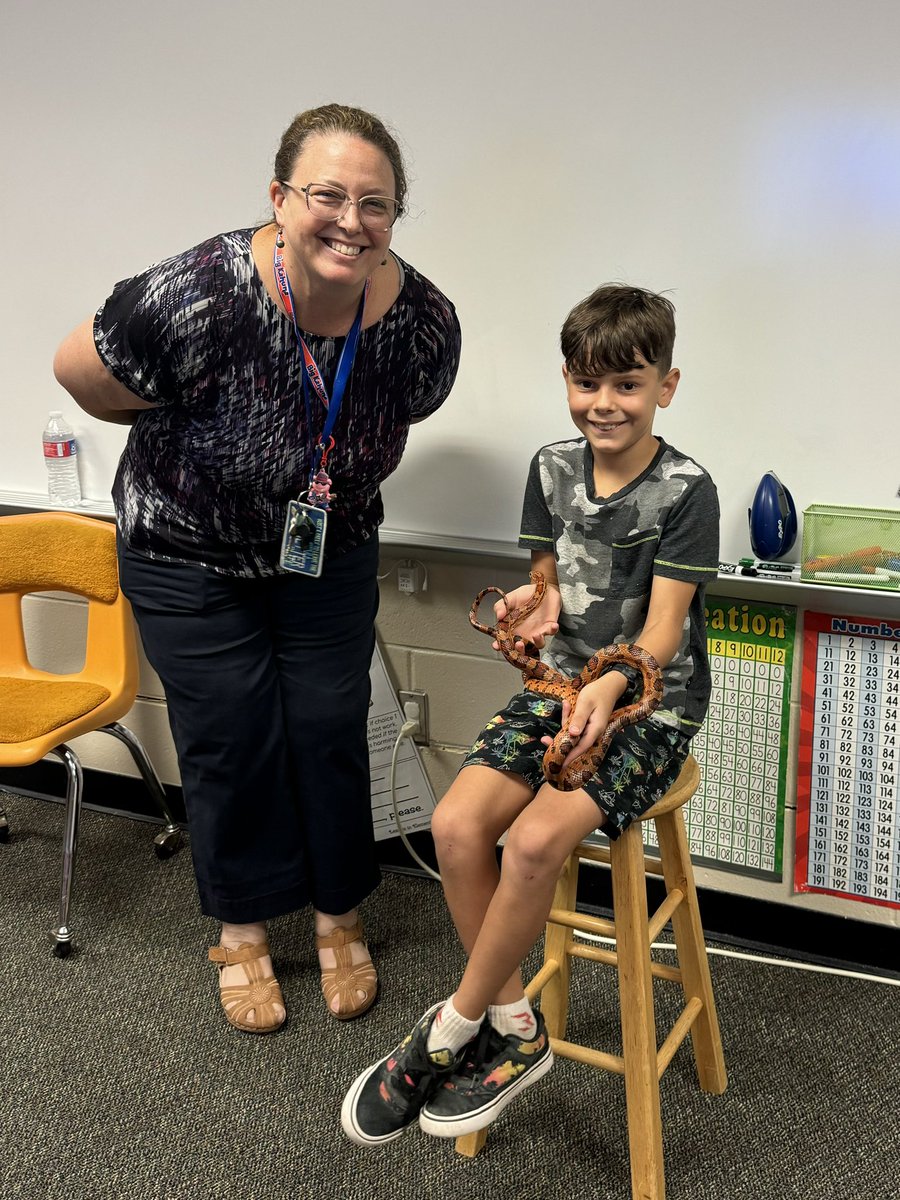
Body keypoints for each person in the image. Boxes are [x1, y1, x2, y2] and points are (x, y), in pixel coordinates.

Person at [53, 103, 461, 1033]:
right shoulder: (198, 293)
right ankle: (241, 928)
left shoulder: (423, 324)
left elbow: (408, 407)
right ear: (279, 198)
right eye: (327, 196)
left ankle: (338, 913)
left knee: (327, 724)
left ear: (395, 216)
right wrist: (176, 425)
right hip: (186, 549)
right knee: (230, 735)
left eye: (376, 203)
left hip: (326, 549)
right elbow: (79, 369)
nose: (351, 221)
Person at [341, 283, 718, 1144]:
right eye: (587, 383)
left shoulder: (687, 490)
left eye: (627, 384)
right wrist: (533, 601)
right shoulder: (550, 468)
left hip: (650, 703)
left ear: (665, 386)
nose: (604, 403)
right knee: (455, 824)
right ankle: (517, 1026)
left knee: (538, 841)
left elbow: (663, 629)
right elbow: (551, 579)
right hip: (561, 685)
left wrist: (610, 688)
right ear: (567, 381)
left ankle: (449, 1027)